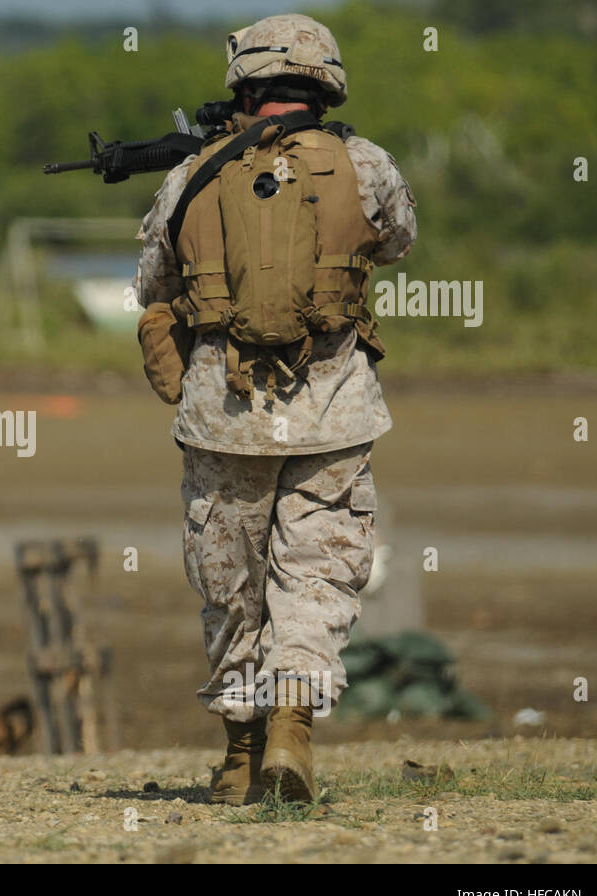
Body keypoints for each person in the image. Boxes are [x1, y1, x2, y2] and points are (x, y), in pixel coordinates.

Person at [133, 14, 417, 803]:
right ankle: (293, 730)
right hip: (332, 410)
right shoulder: (366, 164)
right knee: (318, 575)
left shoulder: (191, 175)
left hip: (224, 409)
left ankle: (237, 754)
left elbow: (152, 280)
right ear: (325, 83)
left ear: (244, 85)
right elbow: (397, 241)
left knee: (230, 582)